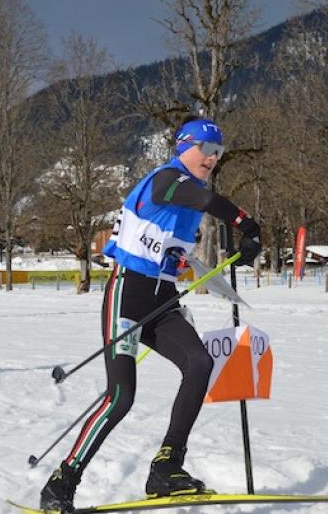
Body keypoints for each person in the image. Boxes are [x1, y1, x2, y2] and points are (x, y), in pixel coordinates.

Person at [39, 116, 262, 511]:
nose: (212, 159)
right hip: (127, 294)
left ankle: (166, 468)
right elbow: (205, 200)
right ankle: (61, 482)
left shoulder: (191, 196)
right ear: (184, 147)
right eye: (206, 150)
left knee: (198, 362)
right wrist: (245, 221)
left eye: (218, 153)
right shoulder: (165, 180)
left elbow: (177, 248)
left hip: (162, 301)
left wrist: (236, 251)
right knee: (120, 398)